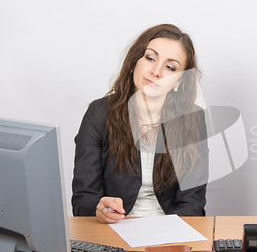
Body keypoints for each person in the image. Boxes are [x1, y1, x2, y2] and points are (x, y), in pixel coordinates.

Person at [72, 24, 208, 224]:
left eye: (170, 67)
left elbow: (193, 205)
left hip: (169, 233)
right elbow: (83, 200)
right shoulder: (99, 114)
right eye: (150, 58)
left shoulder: (192, 119)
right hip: (113, 232)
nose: (156, 71)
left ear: (179, 81)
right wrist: (100, 209)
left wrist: (167, 237)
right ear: (135, 61)